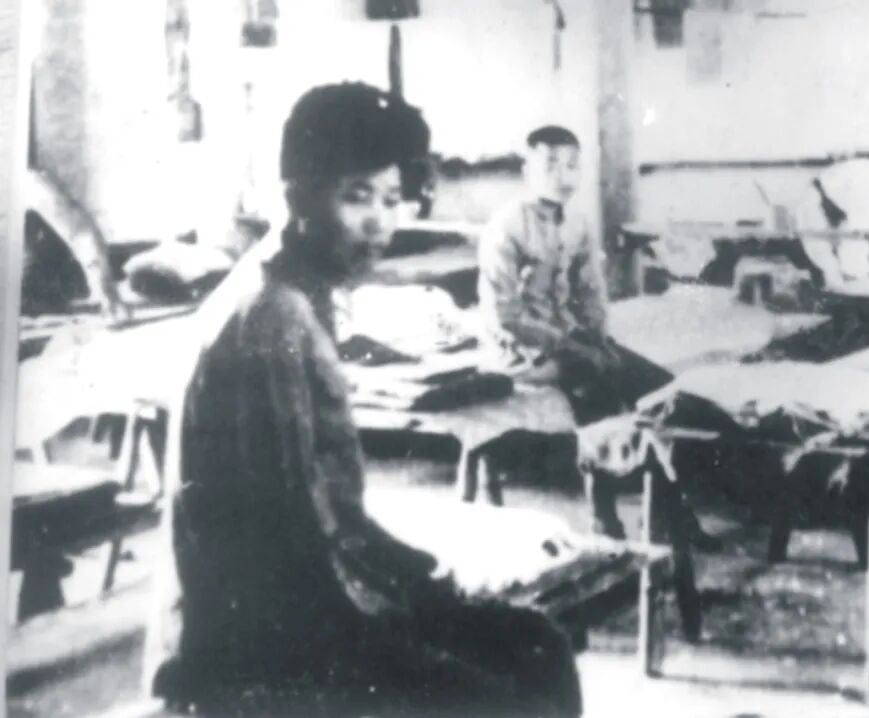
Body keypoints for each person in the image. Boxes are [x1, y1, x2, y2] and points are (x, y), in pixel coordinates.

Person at [153, 83, 581, 718]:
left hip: (295, 614)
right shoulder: (272, 320)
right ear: (297, 197)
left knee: (534, 645)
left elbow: (332, 514)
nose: (381, 220)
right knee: (518, 695)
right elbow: (299, 553)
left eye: (390, 198)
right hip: (253, 652)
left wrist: (422, 576)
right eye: (356, 196)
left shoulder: (300, 293)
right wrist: (408, 610)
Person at [477, 125, 721, 548]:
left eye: (572, 164)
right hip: (520, 349)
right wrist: (573, 346)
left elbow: (591, 294)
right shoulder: (507, 225)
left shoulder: (578, 224)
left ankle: (668, 514)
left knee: (661, 387)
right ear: (527, 170)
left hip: (572, 343)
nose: (562, 174)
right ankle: (603, 517)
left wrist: (600, 339)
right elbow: (504, 315)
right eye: (550, 164)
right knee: (596, 388)